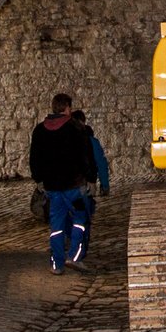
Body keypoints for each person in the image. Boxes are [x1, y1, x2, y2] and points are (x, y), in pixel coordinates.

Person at [29, 92, 97, 274]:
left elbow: (34, 158)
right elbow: (86, 157)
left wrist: (39, 179)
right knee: (80, 219)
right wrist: (91, 178)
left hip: (53, 188)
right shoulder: (76, 128)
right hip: (74, 187)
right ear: (67, 108)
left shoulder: (40, 130)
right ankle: (74, 256)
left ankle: (56, 264)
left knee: (56, 224)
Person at [68, 109, 111, 265]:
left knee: (68, 218)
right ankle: (79, 251)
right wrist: (104, 185)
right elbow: (100, 163)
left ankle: (72, 246)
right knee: (83, 218)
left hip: (65, 185)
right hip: (83, 185)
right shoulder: (90, 140)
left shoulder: (65, 138)